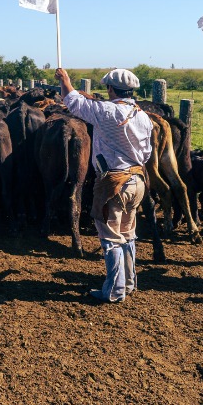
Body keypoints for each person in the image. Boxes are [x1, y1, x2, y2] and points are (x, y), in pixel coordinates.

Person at [56, 67, 153, 303]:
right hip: (137, 181)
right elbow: (147, 153)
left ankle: (114, 290)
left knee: (110, 237)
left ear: (110, 89)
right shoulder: (143, 116)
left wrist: (65, 81)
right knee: (128, 234)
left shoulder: (108, 111)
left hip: (114, 183)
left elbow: (74, 103)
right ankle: (129, 283)